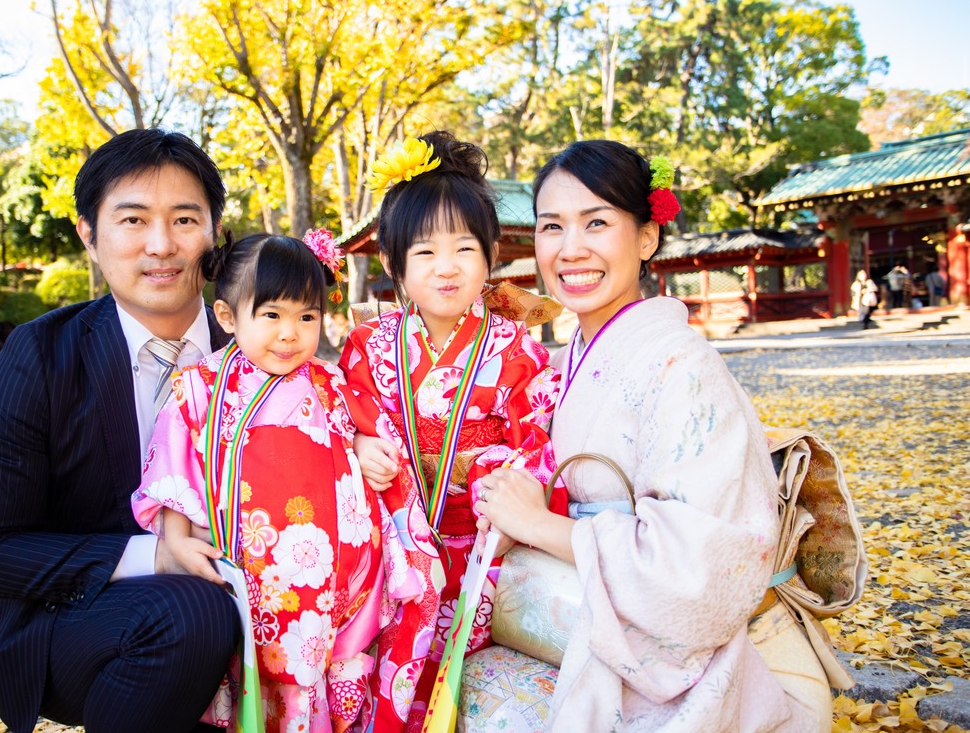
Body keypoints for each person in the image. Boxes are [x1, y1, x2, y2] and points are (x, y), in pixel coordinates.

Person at [476, 140, 832, 731]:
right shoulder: (570, 359)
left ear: (646, 237)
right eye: (551, 227)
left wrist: (540, 526)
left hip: (690, 648)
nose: (571, 250)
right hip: (604, 607)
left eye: (597, 223)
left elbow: (695, 567)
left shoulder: (681, 365)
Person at [0, 128, 238, 733]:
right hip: (76, 619)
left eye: (186, 219)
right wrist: (155, 556)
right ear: (89, 235)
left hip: (251, 600)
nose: (161, 245)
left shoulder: (259, 350)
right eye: (132, 220)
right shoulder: (40, 354)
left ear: (214, 233)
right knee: (193, 613)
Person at [339, 131, 563, 730]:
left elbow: (538, 442)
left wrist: (512, 500)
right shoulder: (368, 347)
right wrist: (361, 448)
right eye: (424, 253)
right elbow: (345, 419)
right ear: (392, 263)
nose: (447, 268)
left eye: (464, 249)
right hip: (397, 540)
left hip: (486, 541)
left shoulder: (515, 347)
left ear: (490, 254)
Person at [132, 230, 400, 731]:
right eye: (272, 315)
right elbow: (175, 466)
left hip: (326, 578)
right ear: (228, 317)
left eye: (307, 317)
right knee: (251, 676)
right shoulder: (202, 387)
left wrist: (363, 447)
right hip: (251, 569)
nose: (290, 334)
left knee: (313, 680)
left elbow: (354, 430)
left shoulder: (328, 382)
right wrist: (174, 539)